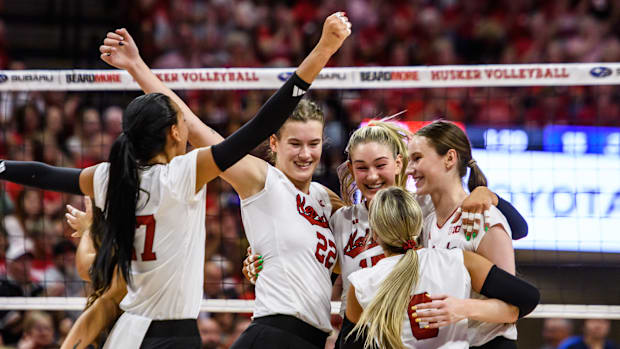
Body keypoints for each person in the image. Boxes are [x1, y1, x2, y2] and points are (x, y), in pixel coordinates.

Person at [0, 12, 350, 349]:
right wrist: (322, 52)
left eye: (314, 143)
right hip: (187, 329)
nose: (306, 153)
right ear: (172, 132)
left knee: (105, 296)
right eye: (296, 143)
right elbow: (244, 126)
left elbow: (42, 173)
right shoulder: (185, 175)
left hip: (134, 325)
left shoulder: (112, 176)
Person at [342, 187, 540, 349]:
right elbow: (528, 298)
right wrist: (463, 308)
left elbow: (349, 346)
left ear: (375, 234)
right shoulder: (459, 260)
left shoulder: (361, 283)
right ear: (419, 224)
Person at [407, 120, 519, 348]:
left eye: (417, 158)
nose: (410, 169)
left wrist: (461, 308)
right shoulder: (427, 220)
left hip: (490, 343)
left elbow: (512, 308)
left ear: (449, 158)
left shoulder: (485, 218)